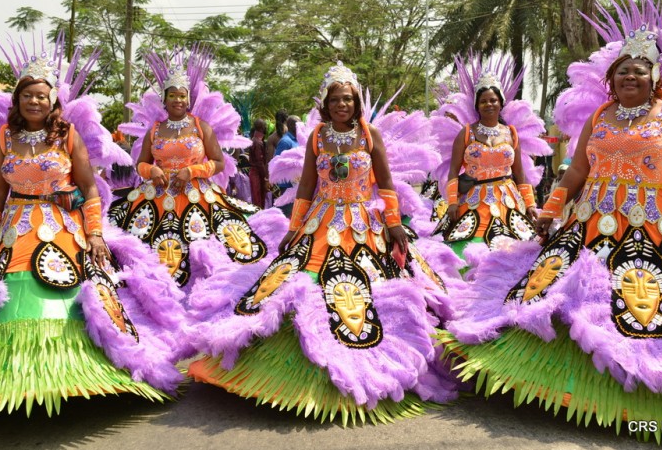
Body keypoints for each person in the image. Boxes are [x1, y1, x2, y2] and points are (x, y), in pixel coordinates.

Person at [439, 0, 662, 445]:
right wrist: (549, 211)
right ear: (609, 80)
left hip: (658, 222)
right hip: (589, 221)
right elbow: (575, 171)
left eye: (638, 72)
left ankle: (656, 398)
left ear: (653, 78)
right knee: (564, 291)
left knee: (650, 297)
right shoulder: (599, 118)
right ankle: (572, 387)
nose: (628, 78)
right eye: (621, 73)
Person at [186, 61, 458, 424]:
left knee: (378, 292)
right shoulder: (317, 138)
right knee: (296, 285)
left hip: (365, 225)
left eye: (347, 99)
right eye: (335, 100)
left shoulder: (369, 135)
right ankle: (287, 367)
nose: (341, 105)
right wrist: (294, 227)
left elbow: (386, 183)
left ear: (356, 102)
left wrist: (394, 224)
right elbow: (306, 188)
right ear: (326, 104)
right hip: (321, 222)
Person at [0, 36, 183, 419]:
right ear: (18, 101)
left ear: (53, 100)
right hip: (13, 231)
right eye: (29, 95)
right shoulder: (5, 138)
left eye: (43, 95)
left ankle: (76, 367)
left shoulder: (67, 135)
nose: (36, 101)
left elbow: (89, 187)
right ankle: (4, 372)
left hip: (63, 228)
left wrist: (93, 233)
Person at [109, 48, 267, 288]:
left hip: (198, 197)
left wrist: (191, 171)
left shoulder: (201, 127)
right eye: (172, 95)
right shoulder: (155, 129)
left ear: (189, 99)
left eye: (182, 95)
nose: (178, 100)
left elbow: (218, 162)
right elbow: (140, 164)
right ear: (164, 99)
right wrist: (151, 171)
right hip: (156, 198)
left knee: (203, 250)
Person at [431, 53, 550, 255]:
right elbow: (453, 171)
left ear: (501, 103)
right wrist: (452, 202)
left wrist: (530, 203)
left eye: (493, 100)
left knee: (515, 253)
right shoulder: (466, 133)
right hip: (473, 201)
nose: (489, 104)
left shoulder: (511, 133)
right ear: (477, 105)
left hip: (508, 202)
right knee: (469, 251)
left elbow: (520, 174)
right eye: (484, 101)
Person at [273, 115, 301, 217]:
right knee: (287, 214)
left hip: (297, 184)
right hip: (288, 185)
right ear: (290, 125)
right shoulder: (285, 141)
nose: (300, 126)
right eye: (297, 124)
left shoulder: (297, 139)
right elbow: (277, 162)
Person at [248, 118, 268, 208]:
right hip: (257, 173)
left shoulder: (256, 140)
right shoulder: (257, 142)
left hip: (256, 172)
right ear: (262, 128)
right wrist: (265, 177)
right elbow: (260, 163)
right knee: (258, 200)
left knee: (259, 198)